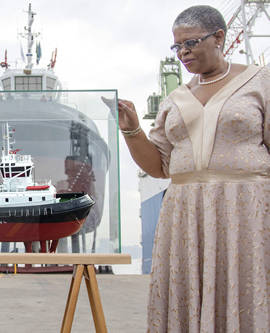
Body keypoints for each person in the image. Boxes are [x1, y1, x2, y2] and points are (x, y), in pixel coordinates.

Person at [113, 5, 270, 332]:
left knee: (246, 286)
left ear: (219, 38)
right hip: (186, 214)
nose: (182, 52)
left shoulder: (260, 81)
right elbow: (158, 167)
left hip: (246, 212)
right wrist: (130, 129)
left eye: (191, 43)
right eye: (177, 46)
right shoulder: (174, 99)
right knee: (187, 289)